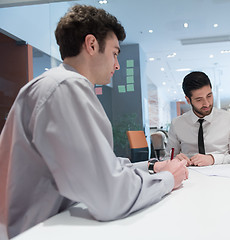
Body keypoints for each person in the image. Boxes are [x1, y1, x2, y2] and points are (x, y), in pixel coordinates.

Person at [0, 5, 188, 239]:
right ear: (91, 45)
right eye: (115, 53)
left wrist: (151, 167)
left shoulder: (57, 84)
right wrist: (167, 179)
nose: (117, 65)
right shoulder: (66, 87)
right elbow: (111, 197)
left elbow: (98, 166)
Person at [167, 71, 230, 166]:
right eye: (199, 99)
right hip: (189, 176)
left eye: (209, 96)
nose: (207, 103)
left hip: (223, 175)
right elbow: (168, 158)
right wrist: (174, 160)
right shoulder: (177, 124)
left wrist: (213, 159)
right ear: (188, 100)